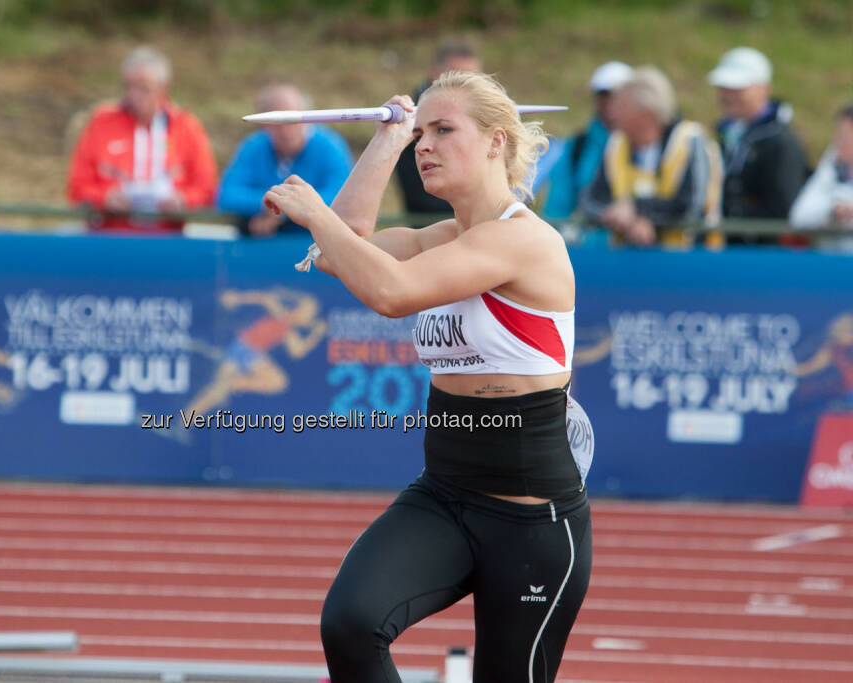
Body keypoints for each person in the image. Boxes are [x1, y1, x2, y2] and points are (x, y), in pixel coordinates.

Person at [263, 71, 592, 682]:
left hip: (530, 521)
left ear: (497, 141)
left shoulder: (524, 243)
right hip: (445, 495)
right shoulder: (444, 237)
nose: (425, 146)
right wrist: (386, 140)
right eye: (420, 134)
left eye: (443, 131)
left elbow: (393, 292)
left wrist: (312, 210)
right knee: (351, 623)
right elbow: (340, 251)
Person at [66, 45, 217, 232]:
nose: (133, 95)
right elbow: (77, 187)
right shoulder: (101, 122)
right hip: (111, 232)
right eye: (127, 87)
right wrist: (104, 197)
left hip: (169, 235)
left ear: (163, 88)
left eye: (143, 88)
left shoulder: (186, 126)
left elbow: (206, 188)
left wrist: (183, 200)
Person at [580, 66, 722, 246]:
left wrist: (638, 209)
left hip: (690, 260)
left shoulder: (690, 140)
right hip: (627, 259)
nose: (612, 113)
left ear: (647, 112)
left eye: (621, 106)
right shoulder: (616, 144)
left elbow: (691, 207)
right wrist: (628, 220)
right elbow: (590, 201)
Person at [217, 81, 352, 236]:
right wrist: (276, 206)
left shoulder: (330, 146)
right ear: (264, 123)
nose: (286, 130)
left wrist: (283, 209)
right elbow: (227, 196)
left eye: (293, 120)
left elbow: (342, 199)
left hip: (316, 245)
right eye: (277, 122)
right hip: (263, 243)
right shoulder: (253, 146)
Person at [708, 46, 809, 221]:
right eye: (724, 87)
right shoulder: (727, 134)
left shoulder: (782, 142)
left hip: (759, 247)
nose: (728, 95)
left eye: (738, 88)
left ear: (764, 88)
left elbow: (782, 210)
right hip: (725, 243)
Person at [394, 40, 482, 218]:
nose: (464, 84)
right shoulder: (408, 117)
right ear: (434, 73)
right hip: (430, 219)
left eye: (473, 78)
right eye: (456, 75)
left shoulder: (482, 113)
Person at [543, 61, 633, 220]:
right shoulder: (578, 147)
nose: (611, 104)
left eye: (619, 96)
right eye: (604, 96)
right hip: (587, 242)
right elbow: (557, 207)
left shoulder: (648, 146)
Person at [789, 102, 853, 250]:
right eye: (838, 134)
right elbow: (799, 217)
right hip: (834, 265)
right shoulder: (831, 166)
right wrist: (831, 211)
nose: (837, 142)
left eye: (844, 136)